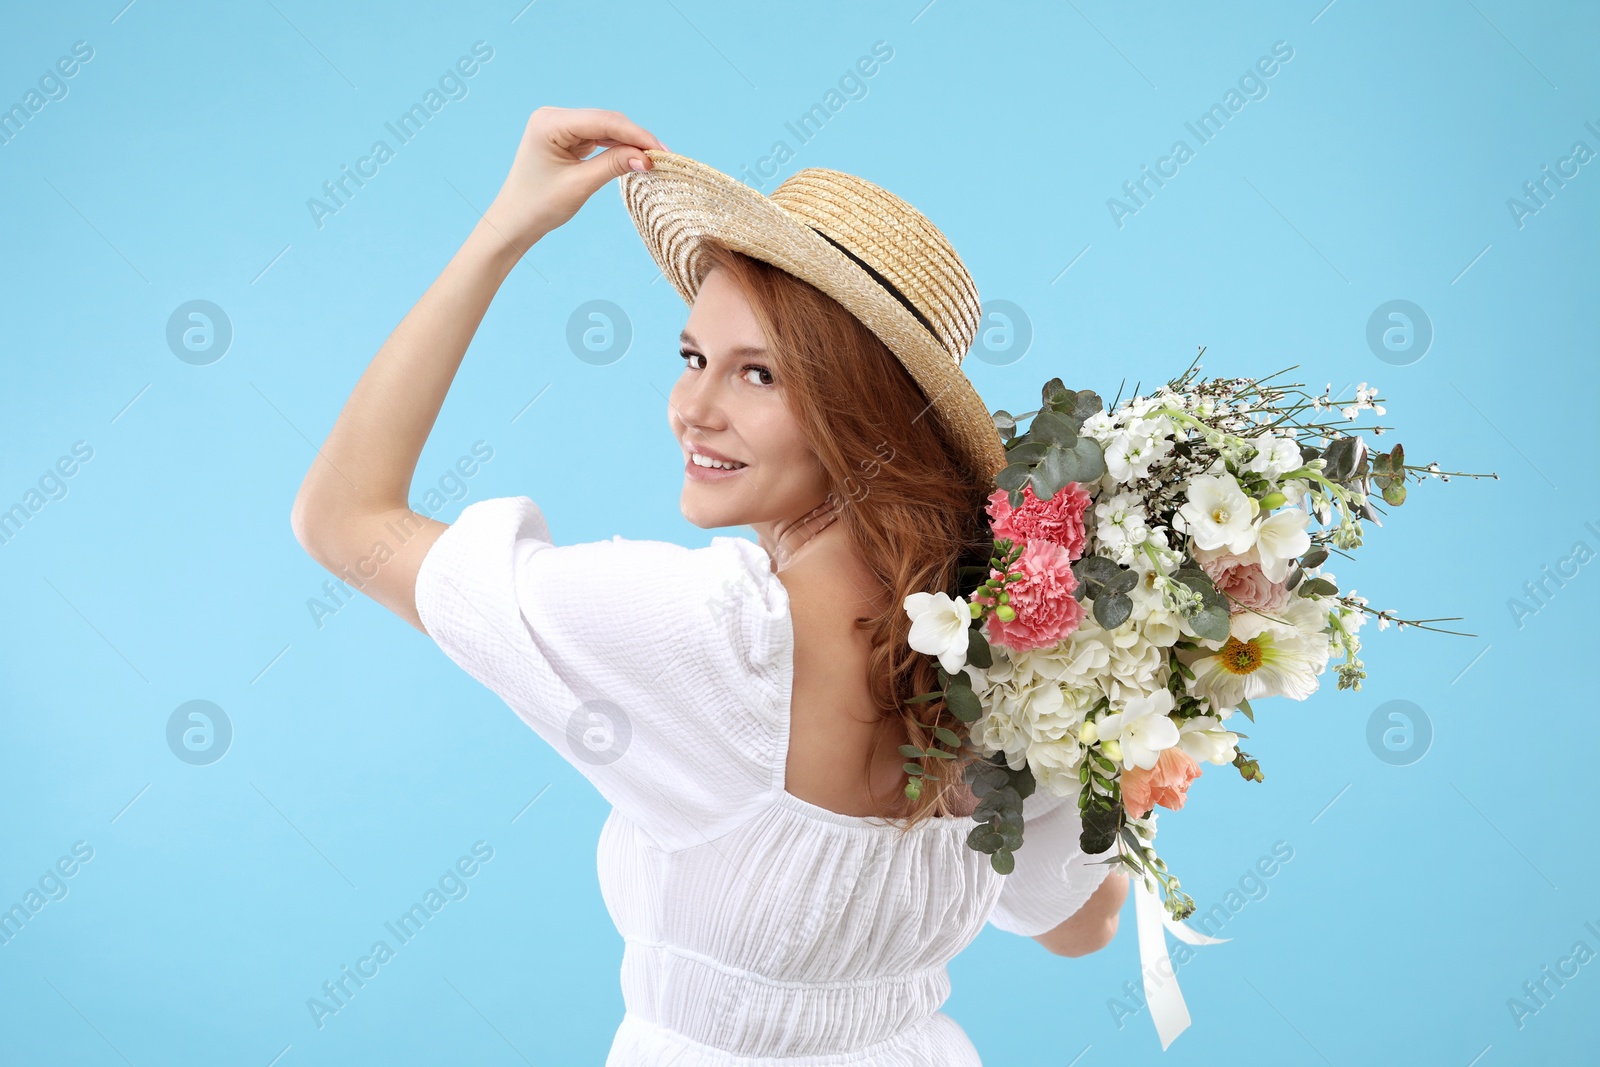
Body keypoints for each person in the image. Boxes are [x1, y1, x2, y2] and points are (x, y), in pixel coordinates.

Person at [291, 106, 1128, 1066]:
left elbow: (343, 520)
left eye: (759, 375)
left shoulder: (712, 633)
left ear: (859, 407)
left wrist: (504, 229)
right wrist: (1143, 715)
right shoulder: (1011, 629)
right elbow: (1076, 924)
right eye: (692, 358)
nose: (693, 408)